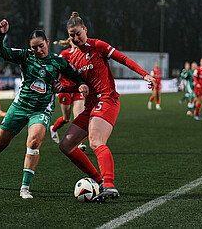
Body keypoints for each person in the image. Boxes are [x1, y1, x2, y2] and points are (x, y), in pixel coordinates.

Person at [0, 19, 88, 199]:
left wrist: (78, 85)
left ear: (47, 42)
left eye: (41, 46)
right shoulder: (25, 55)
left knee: (33, 143)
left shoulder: (58, 61)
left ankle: (24, 188)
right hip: (20, 107)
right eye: (34, 48)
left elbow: (76, 77)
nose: (38, 50)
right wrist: (2, 34)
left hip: (41, 110)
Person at [58, 12, 154, 202]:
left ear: (85, 30)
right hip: (91, 105)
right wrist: (61, 87)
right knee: (66, 145)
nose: (75, 38)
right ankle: (98, 180)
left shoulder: (97, 45)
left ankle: (109, 186)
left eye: (78, 33)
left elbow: (123, 59)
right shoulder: (73, 57)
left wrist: (144, 75)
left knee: (95, 142)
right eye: (72, 35)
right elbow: (77, 84)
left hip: (107, 99)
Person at [49, 39, 86, 151]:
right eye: (73, 39)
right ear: (70, 41)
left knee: (79, 117)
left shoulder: (83, 54)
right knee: (66, 119)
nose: (76, 41)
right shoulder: (65, 54)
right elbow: (57, 67)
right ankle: (54, 129)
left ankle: (78, 144)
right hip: (65, 88)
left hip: (77, 89)